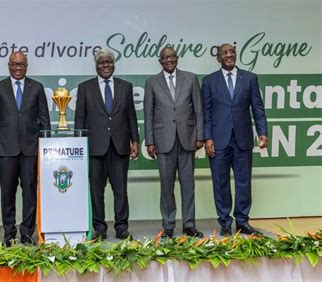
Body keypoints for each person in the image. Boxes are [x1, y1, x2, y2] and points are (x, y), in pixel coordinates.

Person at [202, 43, 268, 236]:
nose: (228, 55)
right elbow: (206, 113)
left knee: (243, 182)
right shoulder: (209, 81)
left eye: (231, 52)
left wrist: (263, 132)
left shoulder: (250, 78)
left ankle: (242, 221)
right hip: (218, 140)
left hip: (243, 139)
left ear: (235, 55)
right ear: (218, 58)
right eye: (224, 53)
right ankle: (224, 222)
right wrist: (207, 137)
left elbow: (258, 108)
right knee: (220, 182)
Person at [74, 48, 139, 240]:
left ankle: (121, 228)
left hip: (120, 146)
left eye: (108, 62)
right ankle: (99, 228)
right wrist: (80, 146)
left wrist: (135, 140)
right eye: (101, 62)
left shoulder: (125, 87)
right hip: (95, 148)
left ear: (114, 64)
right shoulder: (85, 88)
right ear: (96, 65)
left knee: (120, 190)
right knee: (96, 191)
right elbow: (80, 119)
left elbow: (131, 117)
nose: (105, 66)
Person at [0, 51, 51, 246]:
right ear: (8, 65)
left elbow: (44, 119)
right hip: (6, 149)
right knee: (7, 193)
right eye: (14, 64)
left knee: (30, 192)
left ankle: (26, 233)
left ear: (26, 66)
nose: (17, 68)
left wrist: (45, 144)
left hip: (31, 148)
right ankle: (9, 233)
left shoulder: (37, 87)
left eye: (21, 64)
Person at [144, 47, 204, 239]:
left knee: (188, 185)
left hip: (187, 139)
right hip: (163, 141)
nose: (169, 60)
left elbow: (199, 109)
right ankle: (168, 225)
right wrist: (150, 141)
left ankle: (189, 225)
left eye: (172, 57)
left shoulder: (191, 78)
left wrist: (200, 135)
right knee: (166, 186)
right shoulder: (152, 82)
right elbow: (148, 115)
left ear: (177, 58)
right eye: (165, 58)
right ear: (160, 61)